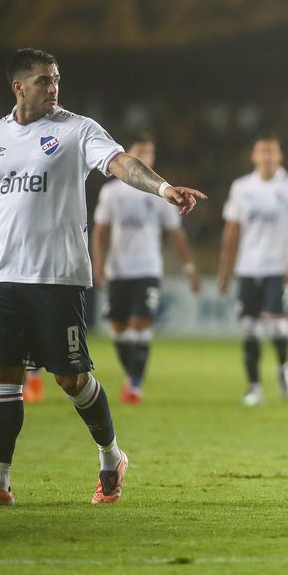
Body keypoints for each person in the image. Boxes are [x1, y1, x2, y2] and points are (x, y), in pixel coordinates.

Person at [0, 47, 204, 507]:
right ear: (18, 87)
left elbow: (121, 163)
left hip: (58, 275)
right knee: (3, 379)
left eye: (56, 79)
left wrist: (163, 187)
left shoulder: (77, 129)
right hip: (4, 276)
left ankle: (112, 457)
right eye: (44, 80)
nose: (53, 87)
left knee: (71, 379)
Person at [92, 132, 202, 404]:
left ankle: (134, 384)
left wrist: (189, 268)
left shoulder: (160, 192)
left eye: (150, 153)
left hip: (148, 268)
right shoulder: (111, 192)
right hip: (118, 269)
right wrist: (99, 264)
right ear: (130, 155)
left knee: (141, 324)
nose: (146, 157)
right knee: (119, 329)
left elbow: (176, 233)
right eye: (140, 152)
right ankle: (131, 376)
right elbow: (101, 232)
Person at [217, 136, 288, 405]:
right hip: (248, 267)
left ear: (279, 156)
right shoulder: (241, 187)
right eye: (262, 152)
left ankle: (283, 367)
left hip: (279, 267)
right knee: (249, 328)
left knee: (277, 325)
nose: (267, 156)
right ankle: (254, 388)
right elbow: (231, 230)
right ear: (254, 156)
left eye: (272, 152)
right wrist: (225, 269)